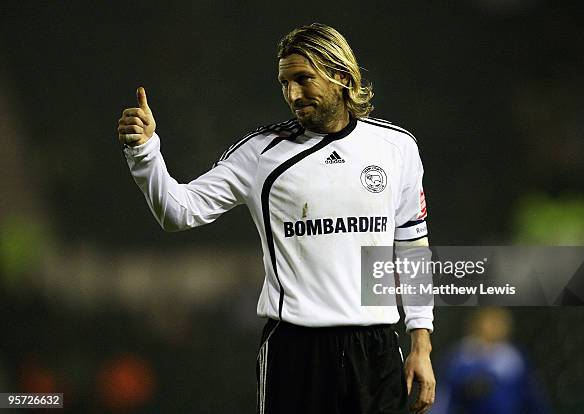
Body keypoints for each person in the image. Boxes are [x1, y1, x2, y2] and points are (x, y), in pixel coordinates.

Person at [117, 23, 435, 414]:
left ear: (341, 76)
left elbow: (411, 247)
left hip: (375, 351)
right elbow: (178, 211)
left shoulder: (396, 148)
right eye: (285, 83)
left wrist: (421, 340)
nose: (293, 94)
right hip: (297, 350)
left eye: (303, 79)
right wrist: (146, 153)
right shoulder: (260, 154)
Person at [431, 307, 550, 414]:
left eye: (499, 322)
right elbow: (443, 398)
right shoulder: (459, 358)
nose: (495, 327)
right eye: (490, 322)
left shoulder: (515, 359)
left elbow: (533, 398)